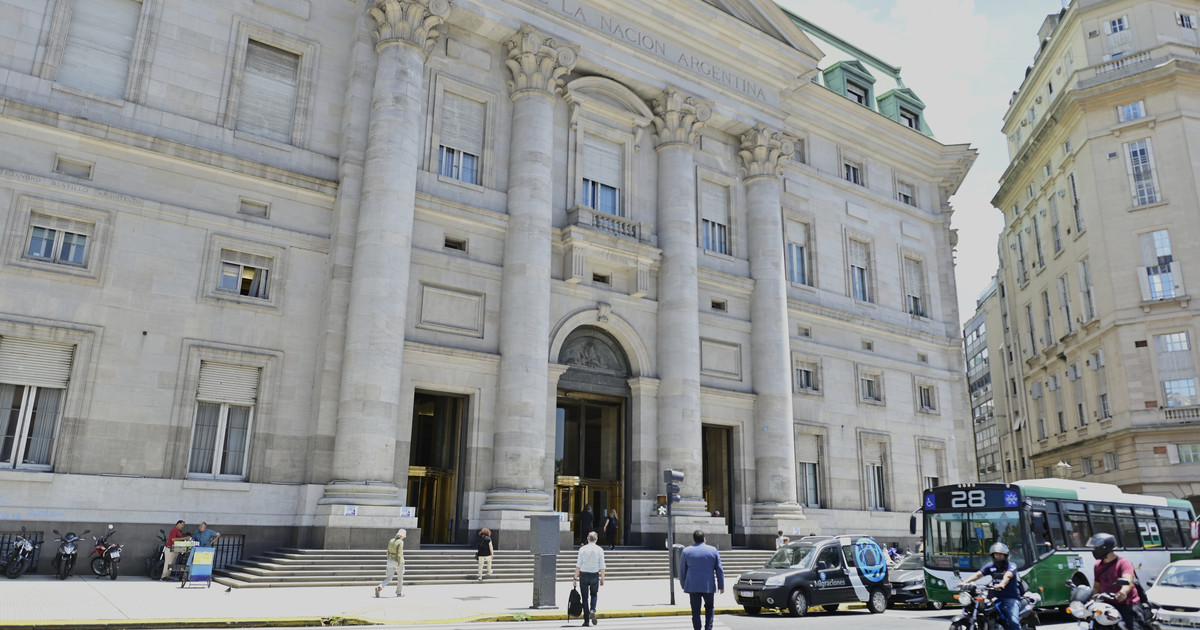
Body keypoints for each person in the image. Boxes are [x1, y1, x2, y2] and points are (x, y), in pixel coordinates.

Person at [1089, 533, 1144, 630]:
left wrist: (1122, 593)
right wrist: (1092, 599)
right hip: (1107, 604)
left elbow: (1128, 581)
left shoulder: (1123, 563)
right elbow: (1097, 586)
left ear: (1106, 548)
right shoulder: (1097, 565)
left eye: (1096, 548)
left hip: (1127, 603)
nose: (1094, 550)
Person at [960, 542, 1021, 630]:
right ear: (993, 555)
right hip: (994, 596)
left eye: (1001, 554)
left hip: (1010, 597)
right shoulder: (991, 566)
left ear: (1006, 555)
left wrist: (1001, 584)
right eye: (996, 554)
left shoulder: (1011, 566)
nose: (999, 556)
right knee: (982, 610)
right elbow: (978, 574)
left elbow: (1007, 576)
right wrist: (965, 582)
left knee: (1013, 620)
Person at [679, 530, 724, 630]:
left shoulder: (686, 551)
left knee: (695, 610)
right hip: (708, 586)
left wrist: (683, 585)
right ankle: (708, 628)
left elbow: (682, 570)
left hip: (693, 586)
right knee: (709, 608)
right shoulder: (713, 550)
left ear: (694, 539)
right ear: (704, 539)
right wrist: (721, 586)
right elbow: (719, 570)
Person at [573, 531, 606, 627]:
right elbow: (602, 566)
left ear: (587, 539)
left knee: (585, 598)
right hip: (594, 575)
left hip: (583, 574)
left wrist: (575, 578)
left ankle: (586, 620)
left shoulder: (582, 549)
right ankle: (592, 610)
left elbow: (578, 565)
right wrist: (602, 578)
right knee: (594, 595)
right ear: (596, 540)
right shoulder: (599, 550)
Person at [375, 529, 406, 598]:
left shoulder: (391, 540)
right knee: (400, 577)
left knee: (389, 578)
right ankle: (399, 593)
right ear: (401, 536)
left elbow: (388, 551)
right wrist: (399, 564)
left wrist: (389, 559)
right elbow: (399, 554)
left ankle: (379, 587)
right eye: (404, 536)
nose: (404, 537)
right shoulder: (401, 542)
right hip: (397, 561)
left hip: (390, 561)